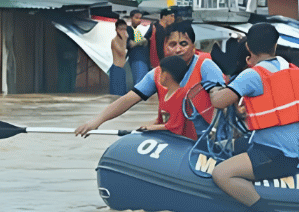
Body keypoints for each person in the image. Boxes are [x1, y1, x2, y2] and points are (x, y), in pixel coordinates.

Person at [209, 23, 299, 208]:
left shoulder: (253, 75)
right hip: (293, 152)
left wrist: (213, 88)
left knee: (221, 173)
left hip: (274, 155)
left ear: (248, 47)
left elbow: (219, 101)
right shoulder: (290, 69)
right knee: (225, 146)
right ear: (275, 46)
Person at [76, 21, 222, 139]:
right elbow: (128, 99)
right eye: (172, 44)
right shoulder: (158, 74)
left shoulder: (205, 65)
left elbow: (221, 99)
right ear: (165, 47)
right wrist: (97, 121)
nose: (178, 50)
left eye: (183, 44)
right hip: (176, 140)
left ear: (193, 47)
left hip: (208, 139)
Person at [135, 55, 192, 136]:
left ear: (165, 75)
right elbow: (160, 120)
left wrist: (150, 128)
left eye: (160, 72)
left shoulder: (181, 95)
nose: (158, 75)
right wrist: (147, 126)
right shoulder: (165, 95)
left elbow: (175, 126)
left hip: (179, 139)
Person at [127, 10, 150, 84]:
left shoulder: (137, 31)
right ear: (131, 18)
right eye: (136, 18)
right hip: (137, 59)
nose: (138, 20)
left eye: (140, 18)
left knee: (143, 82)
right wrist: (143, 41)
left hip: (143, 59)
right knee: (140, 83)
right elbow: (131, 44)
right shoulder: (128, 29)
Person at [109, 20, 129, 96]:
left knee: (122, 94)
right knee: (116, 95)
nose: (123, 31)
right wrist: (124, 39)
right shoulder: (114, 41)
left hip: (122, 69)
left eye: (125, 29)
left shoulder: (123, 40)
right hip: (116, 69)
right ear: (116, 29)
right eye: (121, 29)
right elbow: (122, 53)